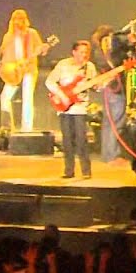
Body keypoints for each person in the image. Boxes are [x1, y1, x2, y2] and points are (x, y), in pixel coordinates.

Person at [45, 40, 97, 180]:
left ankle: (86, 171)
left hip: (80, 108)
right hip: (64, 107)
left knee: (81, 140)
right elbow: (49, 81)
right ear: (74, 52)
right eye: (81, 52)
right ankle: (69, 171)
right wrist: (62, 96)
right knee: (67, 140)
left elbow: (94, 86)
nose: (84, 55)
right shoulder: (63, 65)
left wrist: (100, 85)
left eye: (86, 52)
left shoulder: (90, 67)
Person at [0, 9, 50, 131]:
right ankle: (7, 126)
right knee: (5, 97)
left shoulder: (32, 33)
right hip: (14, 71)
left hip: (29, 69)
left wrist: (44, 48)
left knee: (27, 98)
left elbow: (40, 49)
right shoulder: (8, 36)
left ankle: (26, 128)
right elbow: (4, 55)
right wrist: (3, 67)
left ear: (25, 20)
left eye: (20, 19)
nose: (17, 22)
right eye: (15, 19)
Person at [91, 26, 136, 163]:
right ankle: (112, 156)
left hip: (109, 87)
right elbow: (122, 43)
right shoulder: (112, 45)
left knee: (109, 122)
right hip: (114, 87)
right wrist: (131, 40)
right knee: (115, 122)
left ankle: (108, 155)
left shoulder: (98, 51)